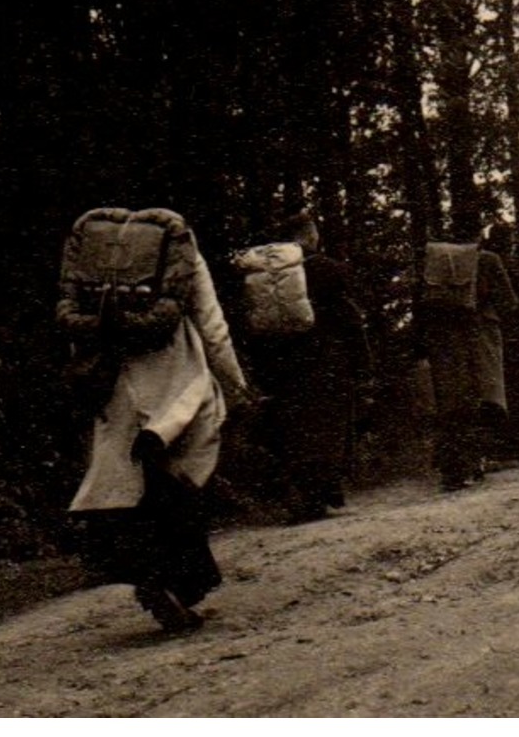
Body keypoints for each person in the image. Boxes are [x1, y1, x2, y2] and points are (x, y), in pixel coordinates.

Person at [61, 208, 250, 634]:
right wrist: (234, 382)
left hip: (115, 374)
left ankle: (146, 572)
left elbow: (76, 319)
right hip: (173, 374)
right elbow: (212, 325)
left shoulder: (94, 257)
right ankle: (179, 582)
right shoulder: (180, 249)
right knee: (183, 474)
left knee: (121, 481)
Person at [240, 212, 369, 525]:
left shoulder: (263, 274)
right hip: (326, 359)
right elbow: (348, 317)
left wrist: (260, 370)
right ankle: (321, 495)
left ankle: (303, 494)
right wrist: (362, 359)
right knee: (329, 426)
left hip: (282, 363)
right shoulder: (328, 269)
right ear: (309, 235)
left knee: (294, 428)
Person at [418, 222, 517, 491]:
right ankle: (473, 463)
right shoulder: (487, 259)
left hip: (445, 342)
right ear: (477, 236)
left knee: (452, 401)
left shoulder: (437, 261)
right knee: (482, 398)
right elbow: (510, 302)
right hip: (480, 335)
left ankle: (451, 468)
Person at [481, 221, 519, 463]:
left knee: (498, 389)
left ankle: (500, 447)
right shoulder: (514, 266)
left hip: (493, 333)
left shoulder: (485, 262)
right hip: (516, 333)